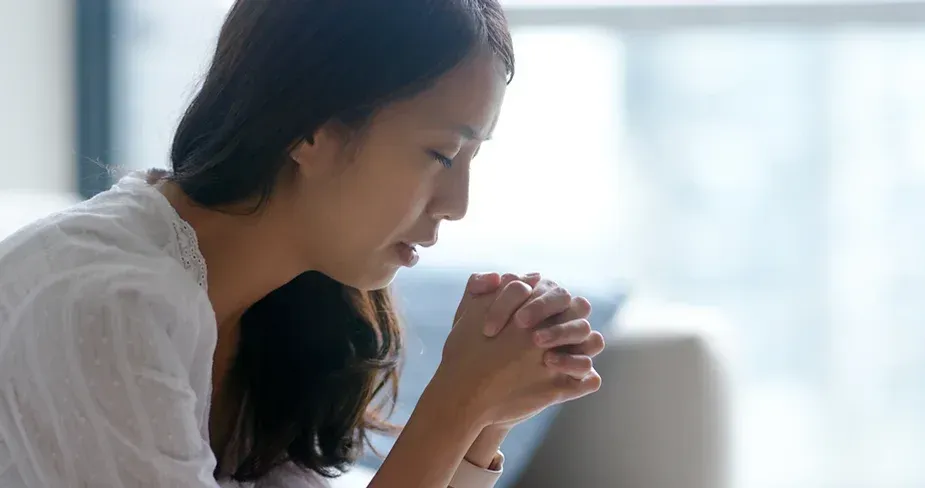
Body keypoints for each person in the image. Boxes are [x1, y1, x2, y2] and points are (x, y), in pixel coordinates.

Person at [0, 0, 606, 487]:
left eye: (472, 158)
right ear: (311, 131)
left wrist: (485, 422)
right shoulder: (105, 304)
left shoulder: (286, 307)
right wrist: (455, 407)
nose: (458, 203)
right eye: (441, 154)